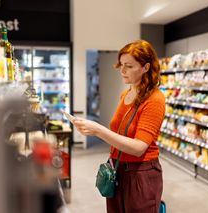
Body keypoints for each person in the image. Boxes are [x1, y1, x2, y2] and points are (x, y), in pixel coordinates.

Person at [73, 40, 165, 213]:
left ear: (145, 67)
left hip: (140, 174)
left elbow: (139, 147)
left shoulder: (155, 100)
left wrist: (98, 130)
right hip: (117, 169)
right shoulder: (126, 94)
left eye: (129, 66)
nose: (122, 70)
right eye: (121, 65)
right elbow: (120, 133)